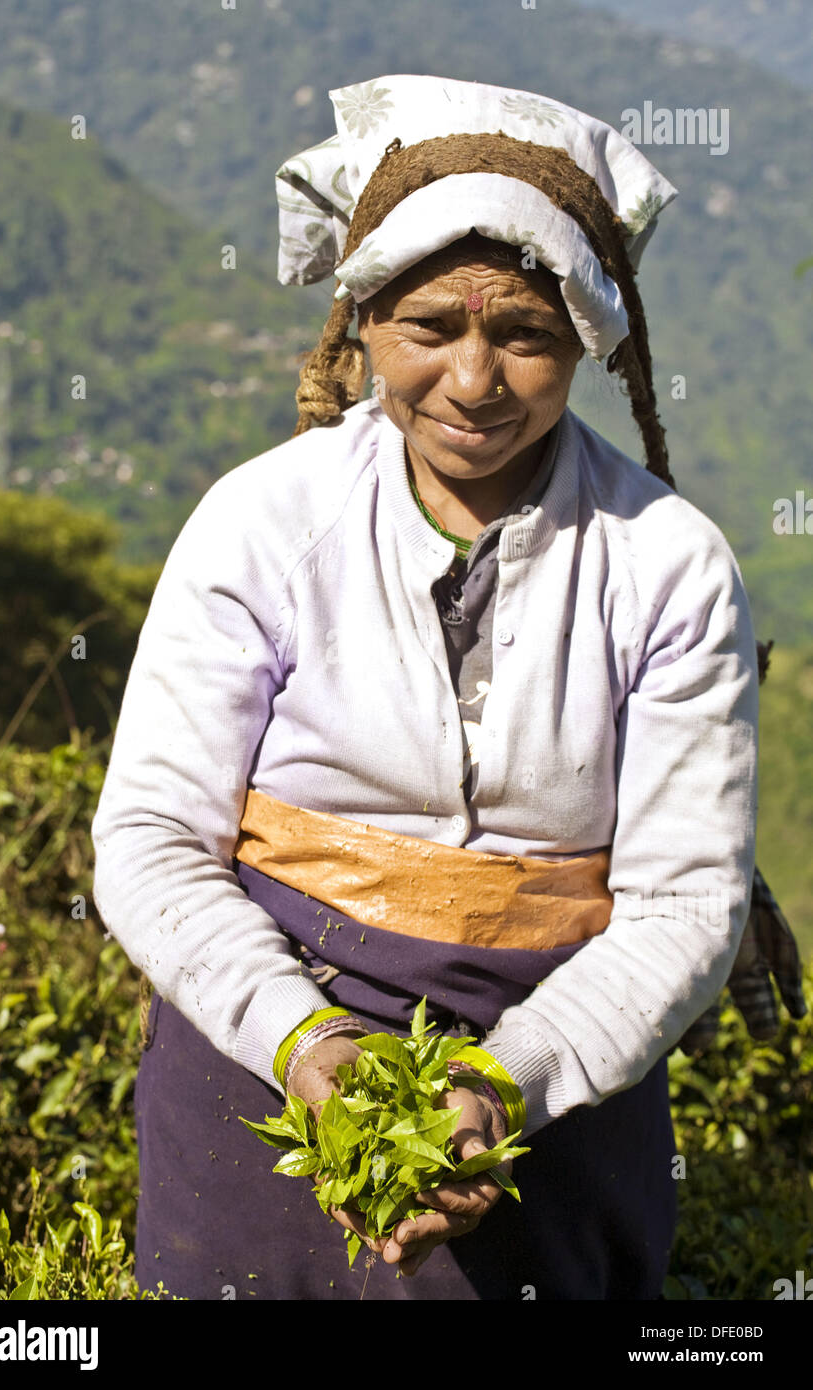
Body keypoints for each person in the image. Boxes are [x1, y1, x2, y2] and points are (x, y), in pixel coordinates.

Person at [91, 74, 804, 1301]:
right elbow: (152, 840)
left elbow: (685, 906)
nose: (473, 381)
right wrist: (305, 1039)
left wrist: (501, 1080)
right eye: (430, 327)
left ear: (582, 337)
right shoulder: (262, 525)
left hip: (562, 1046)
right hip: (265, 1023)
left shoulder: (666, 562)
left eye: (523, 335)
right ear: (361, 323)